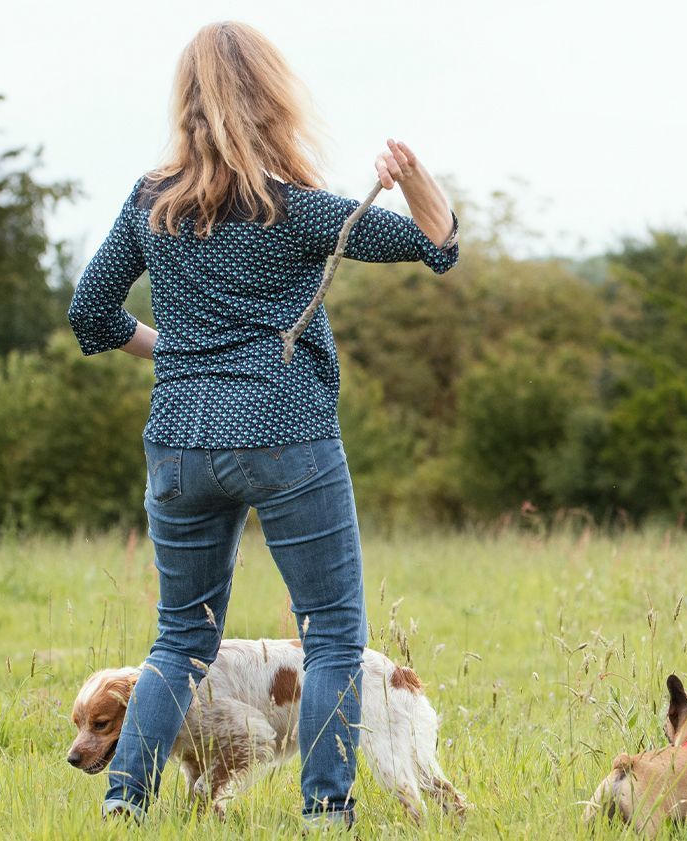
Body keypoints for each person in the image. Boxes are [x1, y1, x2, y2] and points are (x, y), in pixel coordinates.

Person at [66, 20, 457, 827]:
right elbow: (439, 244)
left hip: (179, 443)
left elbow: (90, 315)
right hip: (288, 436)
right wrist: (414, 175)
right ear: (273, 99)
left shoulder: (150, 203)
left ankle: (123, 804)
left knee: (178, 641)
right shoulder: (297, 210)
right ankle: (324, 812)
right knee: (334, 635)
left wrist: (174, 350)